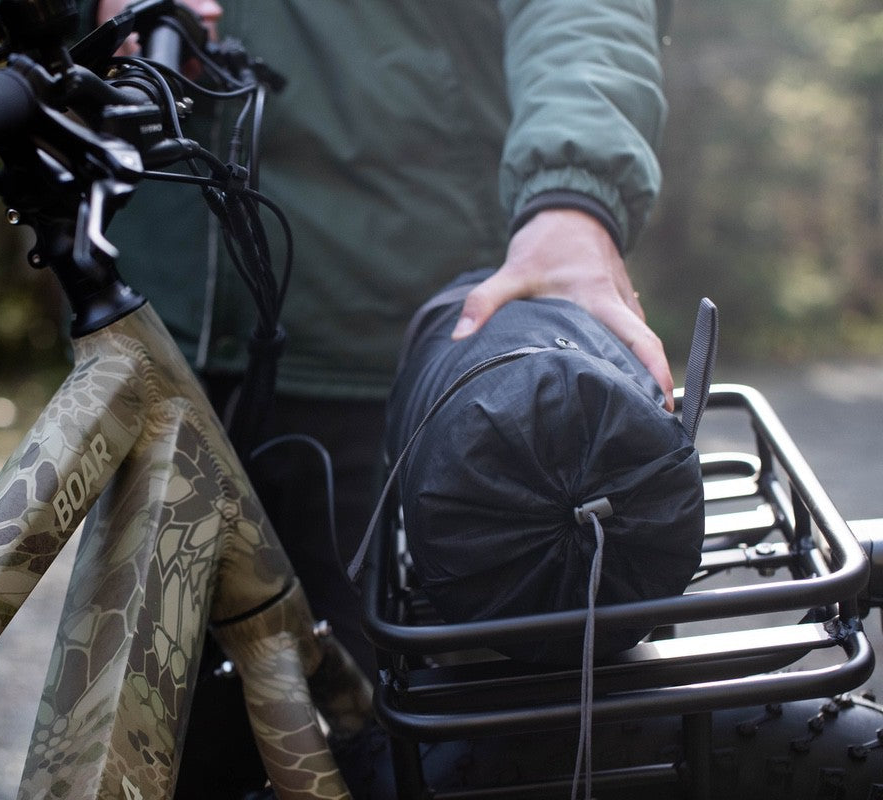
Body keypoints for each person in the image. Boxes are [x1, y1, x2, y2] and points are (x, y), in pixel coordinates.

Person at [89, 0, 674, 794]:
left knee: (427, 760)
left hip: (402, 370)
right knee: (169, 759)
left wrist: (572, 193)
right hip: (148, 346)